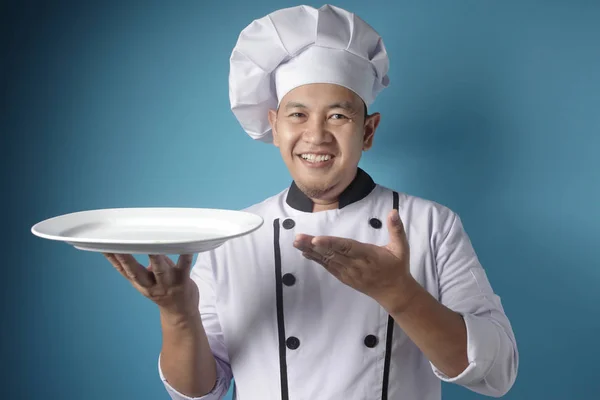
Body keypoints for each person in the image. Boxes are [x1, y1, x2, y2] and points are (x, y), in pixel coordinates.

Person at [104, 4, 518, 399]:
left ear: (368, 131)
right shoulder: (233, 236)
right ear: (276, 127)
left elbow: (498, 372)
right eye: (298, 115)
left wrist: (401, 294)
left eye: (338, 116)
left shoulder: (431, 224)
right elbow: (198, 392)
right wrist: (178, 316)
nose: (316, 135)